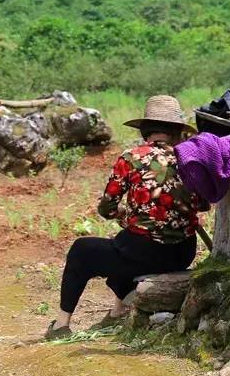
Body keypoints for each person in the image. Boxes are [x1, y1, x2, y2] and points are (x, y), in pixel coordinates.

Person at [45, 95, 206, 340]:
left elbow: (106, 208)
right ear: (177, 132)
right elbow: (203, 204)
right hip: (183, 252)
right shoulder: (190, 159)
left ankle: (60, 325)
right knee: (124, 242)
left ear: (145, 131)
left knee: (83, 250)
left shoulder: (132, 158)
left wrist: (122, 213)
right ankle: (118, 310)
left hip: (145, 253)